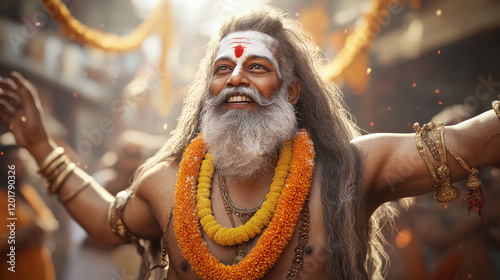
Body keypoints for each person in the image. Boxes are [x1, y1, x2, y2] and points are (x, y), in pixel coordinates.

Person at [0, 6, 499, 280]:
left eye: (256, 66)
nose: (236, 78)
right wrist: (42, 149)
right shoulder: (166, 182)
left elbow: (472, 143)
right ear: (208, 89)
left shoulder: (351, 168)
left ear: (292, 89)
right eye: (223, 69)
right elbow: (109, 223)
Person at [0, 142, 59, 280]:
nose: (20, 166)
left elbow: (49, 223)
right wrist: (27, 233)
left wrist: (39, 229)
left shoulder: (26, 192)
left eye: (22, 161)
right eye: (13, 161)